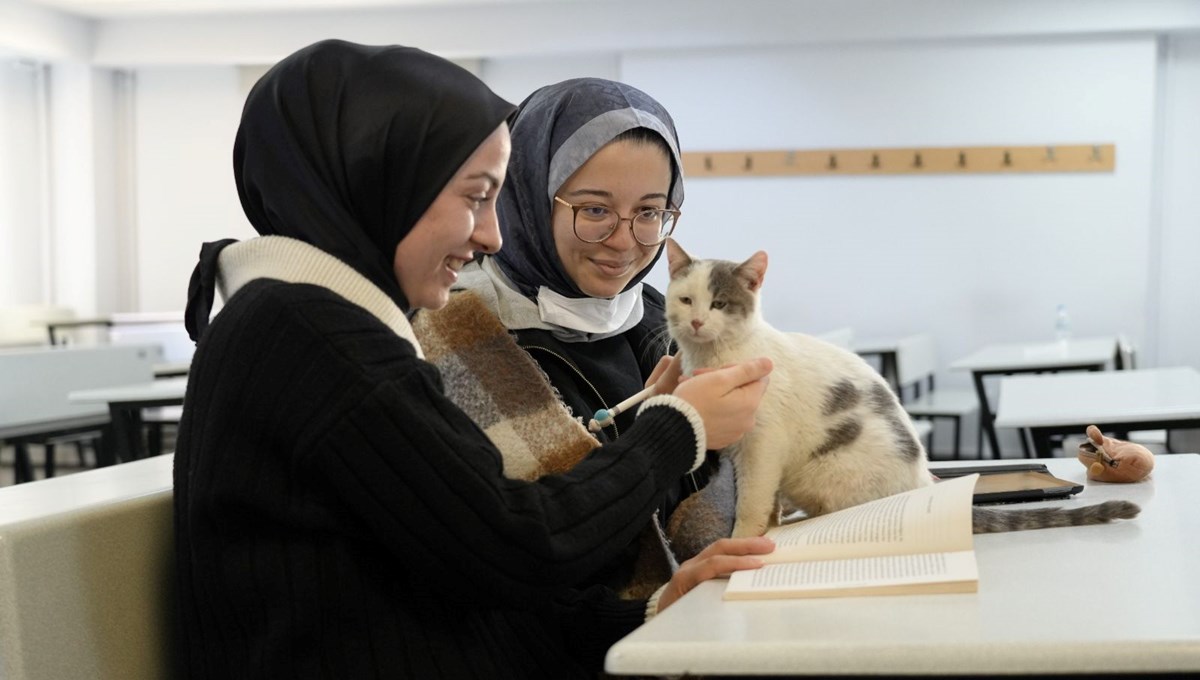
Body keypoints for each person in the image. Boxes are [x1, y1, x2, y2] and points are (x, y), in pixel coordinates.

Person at [175, 39, 773, 679]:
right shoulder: (314, 336)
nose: (493, 234)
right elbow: (521, 546)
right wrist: (674, 429)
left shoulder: (308, 321)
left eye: (650, 213)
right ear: (383, 184)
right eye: (475, 196)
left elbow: (468, 572)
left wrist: (646, 615)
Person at [418, 77, 733, 597]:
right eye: (594, 210)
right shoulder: (450, 335)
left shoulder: (665, 322)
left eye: (650, 212)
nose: (623, 242)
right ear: (525, 197)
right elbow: (513, 550)